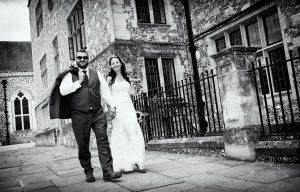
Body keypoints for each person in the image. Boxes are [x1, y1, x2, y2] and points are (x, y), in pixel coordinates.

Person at [59, 50, 122, 182]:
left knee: (103, 142)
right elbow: (63, 91)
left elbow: (105, 91)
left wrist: (112, 106)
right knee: (83, 145)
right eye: (79, 57)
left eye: (85, 57)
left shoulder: (96, 73)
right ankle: (88, 171)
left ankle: (108, 171)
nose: (82, 59)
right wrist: (79, 82)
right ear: (76, 59)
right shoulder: (70, 75)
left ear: (88, 59)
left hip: (97, 113)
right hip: (79, 114)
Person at [106, 55, 146, 173]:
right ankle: (122, 163)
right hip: (117, 109)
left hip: (129, 107)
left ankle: (138, 161)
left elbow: (131, 93)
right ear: (111, 66)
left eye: (117, 62)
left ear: (121, 63)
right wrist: (111, 109)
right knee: (120, 133)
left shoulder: (126, 77)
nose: (115, 64)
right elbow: (108, 96)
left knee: (133, 132)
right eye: (113, 63)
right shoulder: (109, 78)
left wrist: (133, 84)